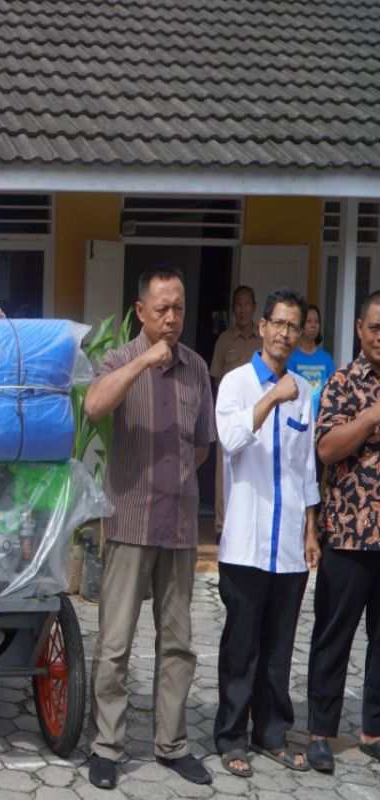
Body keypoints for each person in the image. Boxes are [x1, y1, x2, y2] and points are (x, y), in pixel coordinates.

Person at [83, 267, 216, 790]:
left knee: (178, 644)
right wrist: (144, 360)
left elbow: (202, 442)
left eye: (178, 307)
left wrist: (179, 478)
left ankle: (172, 744)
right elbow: (94, 406)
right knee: (115, 643)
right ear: (140, 312)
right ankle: (106, 747)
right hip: (130, 522)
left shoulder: (198, 369)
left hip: (180, 527)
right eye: (161, 308)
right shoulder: (119, 359)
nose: (171, 317)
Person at [213, 288, 320, 778]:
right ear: (261, 326)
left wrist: (311, 529)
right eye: (277, 323)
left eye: (293, 326)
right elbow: (231, 440)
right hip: (245, 542)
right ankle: (231, 735)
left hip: (289, 545)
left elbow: (306, 470)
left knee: (278, 646)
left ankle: (272, 733)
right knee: (241, 647)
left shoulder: (306, 390)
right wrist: (271, 396)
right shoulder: (236, 384)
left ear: (301, 334)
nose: (284, 333)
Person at [305, 289, 380, 774]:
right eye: (375, 329)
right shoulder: (341, 383)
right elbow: (328, 448)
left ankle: (373, 728)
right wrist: (373, 415)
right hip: (350, 534)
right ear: (359, 330)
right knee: (334, 635)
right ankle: (319, 732)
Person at [210, 285, 263, 535]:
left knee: (256, 467)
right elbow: (216, 378)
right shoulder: (224, 340)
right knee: (224, 470)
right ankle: (223, 525)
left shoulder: (263, 340)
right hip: (231, 415)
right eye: (238, 305)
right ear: (233, 309)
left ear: (254, 307)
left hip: (259, 414)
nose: (242, 309)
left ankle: (252, 523)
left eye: (247, 304)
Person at [288, 303, 336, 416]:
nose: (313, 325)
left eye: (317, 321)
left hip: (321, 420)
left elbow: (333, 390)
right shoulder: (292, 358)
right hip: (298, 420)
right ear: (300, 325)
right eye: (309, 321)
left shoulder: (326, 358)